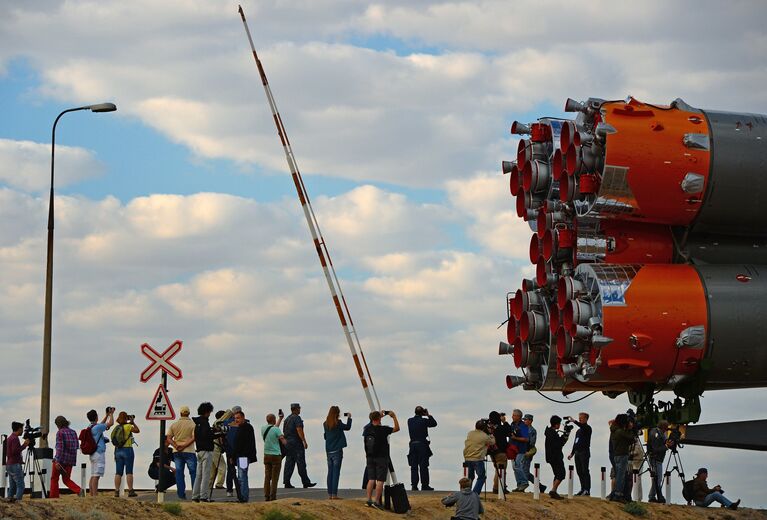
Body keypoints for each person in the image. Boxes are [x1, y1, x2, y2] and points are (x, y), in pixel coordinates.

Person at [364, 410, 400, 509]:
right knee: (380, 480)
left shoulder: (366, 429)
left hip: (369, 457)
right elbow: (397, 428)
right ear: (379, 419)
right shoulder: (383, 429)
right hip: (381, 457)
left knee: (371, 479)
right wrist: (393, 416)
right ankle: (376, 501)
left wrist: (378, 416)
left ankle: (368, 500)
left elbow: (372, 421)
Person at [283, 403, 316, 488]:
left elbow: (284, 432)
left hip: (288, 443)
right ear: (296, 409)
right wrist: (304, 441)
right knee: (301, 463)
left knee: (289, 463)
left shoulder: (287, 419)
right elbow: (299, 429)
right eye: (299, 408)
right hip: (296, 443)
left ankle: (286, 482)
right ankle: (305, 482)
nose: (300, 410)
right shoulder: (297, 418)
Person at [167, 405, 196, 500]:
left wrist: (176, 446)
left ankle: (181, 494)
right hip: (189, 451)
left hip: (177, 451)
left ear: (180, 414)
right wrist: (184, 446)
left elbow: (169, 438)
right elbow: (193, 438)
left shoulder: (174, 425)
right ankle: (195, 493)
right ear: (189, 414)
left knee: (179, 472)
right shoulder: (193, 425)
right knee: (193, 472)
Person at [323, 406, 352, 500]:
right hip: (337, 450)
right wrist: (349, 418)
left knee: (330, 472)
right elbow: (347, 427)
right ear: (337, 413)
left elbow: (325, 436)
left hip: (329, 450)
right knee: (336, 473)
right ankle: (334, 494)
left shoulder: (325, 424)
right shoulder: (338, 423)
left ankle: (330, 494)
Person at [50, 415, 82, 498]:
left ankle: (54, 496)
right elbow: (77, 446)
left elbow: (60, 448)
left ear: (58, 425)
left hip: (61, 460)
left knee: (54, 478)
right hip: (70, 460)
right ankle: (79, 490)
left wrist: (57, 460)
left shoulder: (60, 433)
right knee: (66, 480)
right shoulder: (73, 432)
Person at [407, 405, 437, 491]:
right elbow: (434, 424)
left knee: (414, 467)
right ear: (422, 413)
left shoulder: (409, 421)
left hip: (412, 445)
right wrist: (428, 415)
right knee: (423, 466)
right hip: (422, 445)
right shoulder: (424, 420)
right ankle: (424, 485)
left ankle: (414, 485)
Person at [85, 407, 114, 497]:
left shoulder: (91, 427)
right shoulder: (97, 428)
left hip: (93, 453)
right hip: (99, 453)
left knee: (93, 475)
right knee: (96, 476)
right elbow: (111, 423)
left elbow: (101, 424)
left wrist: (106, 415)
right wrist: (111, 414)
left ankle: (92, 495)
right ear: (96, 416)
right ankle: (95, 495)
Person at [231, 410, 257, 503]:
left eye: (238, 418)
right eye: (235, 418)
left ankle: (243, 497)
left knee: (242, 476)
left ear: (243, 417)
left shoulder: (245, 428)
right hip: (242, 456)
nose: (236, 420)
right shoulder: (244, 427)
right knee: (241, 476)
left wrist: (233, 455)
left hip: (243, 456)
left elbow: (239, 444)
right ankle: (242, 496)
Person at [462, 420, 495, 495]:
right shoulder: (484, 436)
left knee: (470, 477)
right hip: (478, 459)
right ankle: (475, 493)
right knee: (481, 477)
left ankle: (467, 493)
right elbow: (492, 442)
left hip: (467, 458)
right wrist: (491, 434)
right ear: (484, 428)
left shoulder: (470, 433)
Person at [112, 411, 140, 498]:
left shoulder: (116, 427)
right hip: (127, 449)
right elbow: (137, 430)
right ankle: (131, 490)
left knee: (118, 472)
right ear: (126, 418)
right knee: (129, 471)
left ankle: (116, 491)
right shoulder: (128, 426)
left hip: (117, 450)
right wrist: (132, 422)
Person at [608, 413, 634, 503]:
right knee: (620, 476)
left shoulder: (614, 430)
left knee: (619, 475)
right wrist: (630, 429)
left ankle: (615, 493)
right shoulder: (620, 431)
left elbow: (627, 441)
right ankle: (618, 494)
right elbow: (631, 438)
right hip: (622, 455)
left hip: (616, 455)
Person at [192, 402, 215, 502]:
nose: (210, 414)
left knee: (198, 475)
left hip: (199, 450)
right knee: (206, 474)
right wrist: (215, 433)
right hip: (206, 451)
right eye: (209, 412)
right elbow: (207, 435)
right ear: (207, 412)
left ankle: (195, 495)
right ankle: (204, 496)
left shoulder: (196, 422)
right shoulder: (205, 422)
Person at [261, 412, 286, 502]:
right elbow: (282, 440)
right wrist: (287, 443)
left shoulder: (263, 428)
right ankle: (273, 496)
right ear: (274, 420)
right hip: (276, 456)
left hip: (266, 455)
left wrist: (280, 419)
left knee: (267, 476)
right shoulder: (276, 430)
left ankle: (266, 495)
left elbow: (274, 428)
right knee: (275, 478)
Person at [544, 415, 570, 500]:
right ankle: (553, 490)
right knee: (561, 474)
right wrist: (566, 434)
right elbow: (560, 444)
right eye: (559, 424)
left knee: (557, 474)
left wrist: (565, 434)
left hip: (551, 457)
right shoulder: (552, 434)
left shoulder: (549, 432)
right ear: (556, 424)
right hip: (555, 457)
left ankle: (554, 490)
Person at [566, 412, 591, 496]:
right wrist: (572, 453)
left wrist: (574, 421)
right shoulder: (578, 431)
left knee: (585, 471)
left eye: (582, 418)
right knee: (579, 471)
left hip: (584, 452)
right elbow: (575, 442)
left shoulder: (588, 428)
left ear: (586, 419)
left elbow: (582, 426)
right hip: (577, 452)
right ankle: (582, 488)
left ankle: (587, 489)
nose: (580, 419)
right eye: (579, 418)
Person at [4, 422, 30, 502]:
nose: (22, 431)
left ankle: (9, 499)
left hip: (9, 464)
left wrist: (19, 460)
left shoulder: (9, 438)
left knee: (12, 486)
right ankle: (18, 501)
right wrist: (25, 445)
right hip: (15, 465)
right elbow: (15, 451)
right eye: (22, 429)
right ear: (19, 429)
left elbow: (10, 453)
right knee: (20, 485)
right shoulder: (15, 438)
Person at [486, 411, 510, 494]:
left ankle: (499, 486)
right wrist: (504, 422)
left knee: (497, 470)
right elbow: (509, 431)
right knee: (501, 470)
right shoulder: (500, 427)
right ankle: (497, 488)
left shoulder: (488, 427)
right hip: (501, 452)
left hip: (491, 451)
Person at [521, 414, 546, 493]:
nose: (524, 421)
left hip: (528, 452)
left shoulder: (532, 430)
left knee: (525, 471)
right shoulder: (522, 429)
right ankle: (540, 486)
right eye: (524, 420)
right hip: (522, 451)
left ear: (530, 421)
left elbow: (532, 442)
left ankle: (524, 486)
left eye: (526, 420)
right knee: (524, 471)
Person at [647, 420, 668, 503]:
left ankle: (654, 496)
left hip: (658, 459)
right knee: (658, 479)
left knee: (657, 479)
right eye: (666, 428)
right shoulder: (655, 434)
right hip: (655, 459)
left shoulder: (658, 433)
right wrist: (666, 446)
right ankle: (652, 496)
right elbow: (655, 449)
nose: (666, 430)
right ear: (663, 427)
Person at [509, 409, 530, 492]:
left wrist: (515, 438)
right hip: (513, 449)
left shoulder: (523, 426)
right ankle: (519, 485)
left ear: (518, 416)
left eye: (514, 415)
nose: (512, 416)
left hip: (520, 449)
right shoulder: (512, 424)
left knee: (517, 465)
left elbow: (526, 439)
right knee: (515, 467)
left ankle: (524, 482)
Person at [224, 406, 242, 498]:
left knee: (230, 470)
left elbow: (223, 436)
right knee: (242, 470)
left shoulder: (226, 423)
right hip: (241, 451)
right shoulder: (245, 423)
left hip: (230, 450)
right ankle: (241, 490)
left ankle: (229, 490)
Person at [210, 410, 227, 491]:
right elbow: (220, 437)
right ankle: (219, 484)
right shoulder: (219, 424)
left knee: (213, 468)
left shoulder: (214, 424)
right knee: (222, 466)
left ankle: (209, 484)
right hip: (216, 447)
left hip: (212, 447)